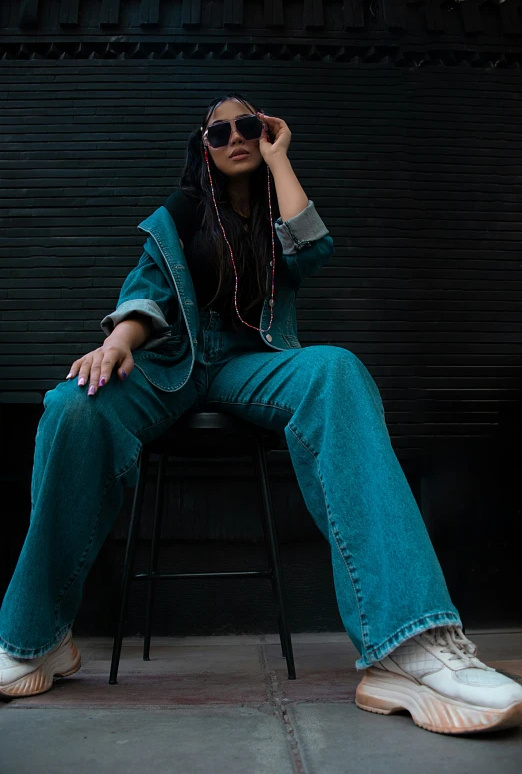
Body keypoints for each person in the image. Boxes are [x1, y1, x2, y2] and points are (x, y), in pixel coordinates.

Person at [1, 92, 521, 736]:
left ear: (265, 131)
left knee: (337, 371)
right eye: (218, 132)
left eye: (247, 126)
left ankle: (405, 644)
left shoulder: (281, 211)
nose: (234, 137)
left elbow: (314, 252)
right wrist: (117, 343)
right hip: (174, 365)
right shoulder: (180, 215)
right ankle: (35, 639)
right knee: (70, 404)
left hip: (257, 361)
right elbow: (145, 295)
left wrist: (280, 159)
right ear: (203, 145)